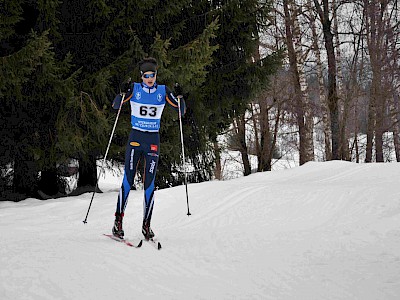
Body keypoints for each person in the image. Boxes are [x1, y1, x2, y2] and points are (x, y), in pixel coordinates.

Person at [111, 57, 186, 240]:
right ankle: (117, 222)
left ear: (156, 75)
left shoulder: (162, 91)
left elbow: (180, 110)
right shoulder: (135, 89)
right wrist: (122, 92)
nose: (149, 78)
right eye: (146, 75)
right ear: (142, 76)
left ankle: (147, 225)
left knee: (150, 184)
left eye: (152, 75)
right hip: (136, 138)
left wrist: (180, 96)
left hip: (153, 140)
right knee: (128, 180)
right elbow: (116, 105)